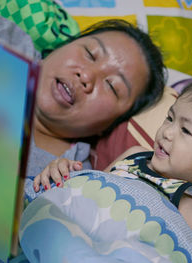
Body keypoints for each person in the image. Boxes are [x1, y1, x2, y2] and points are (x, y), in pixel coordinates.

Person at [33, 43, 192, 261]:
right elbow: (91, 197)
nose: (167, 132)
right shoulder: (133, 156)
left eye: (186, 131)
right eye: (170, 118)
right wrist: (63, 175)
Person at [22, 18, 166, 197]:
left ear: (109, 125)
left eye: (112, 86)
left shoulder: (76, 184)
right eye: (90, 54)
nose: (86, 76)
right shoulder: (3, 39)